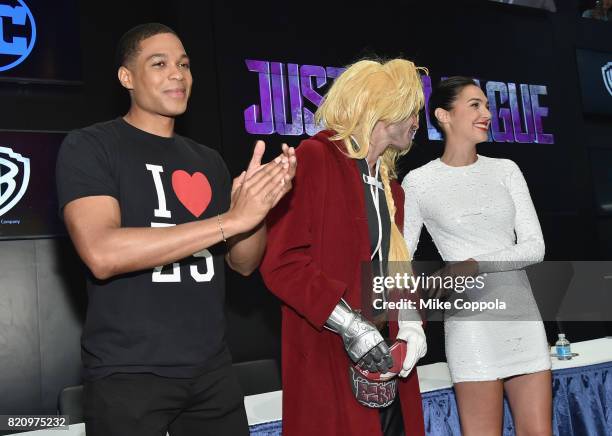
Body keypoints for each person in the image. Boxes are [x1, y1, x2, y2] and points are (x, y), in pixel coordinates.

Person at [55, 23, 296, 436]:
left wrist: (254, 212)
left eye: (184, 64)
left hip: (211, 372)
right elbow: (102, 253)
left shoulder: (208, 161)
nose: (178, 74)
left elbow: (243, 263)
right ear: (126, 77)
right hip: (127, 375)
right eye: (160, 63)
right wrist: (229, 220)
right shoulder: (91, 146)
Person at [260, 58, 428, 436]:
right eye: (412, 111)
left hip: (387, 364)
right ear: (384, 107)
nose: (418, 122)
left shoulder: (390, 188)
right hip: (326, 356)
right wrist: (351, 325)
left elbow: (394, 270)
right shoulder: (315, 158)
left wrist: (412, 325)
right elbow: (282, 264)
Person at [402, 76, 551, 435]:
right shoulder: (418, 183)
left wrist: (473, 264)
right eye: (475, 105)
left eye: (486, 105)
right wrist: (408, 326)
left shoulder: (506, 170)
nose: (486, 113)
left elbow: (535, 247)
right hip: (471, 328)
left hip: (523, 319)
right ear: (443, 115)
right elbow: (400, 263)